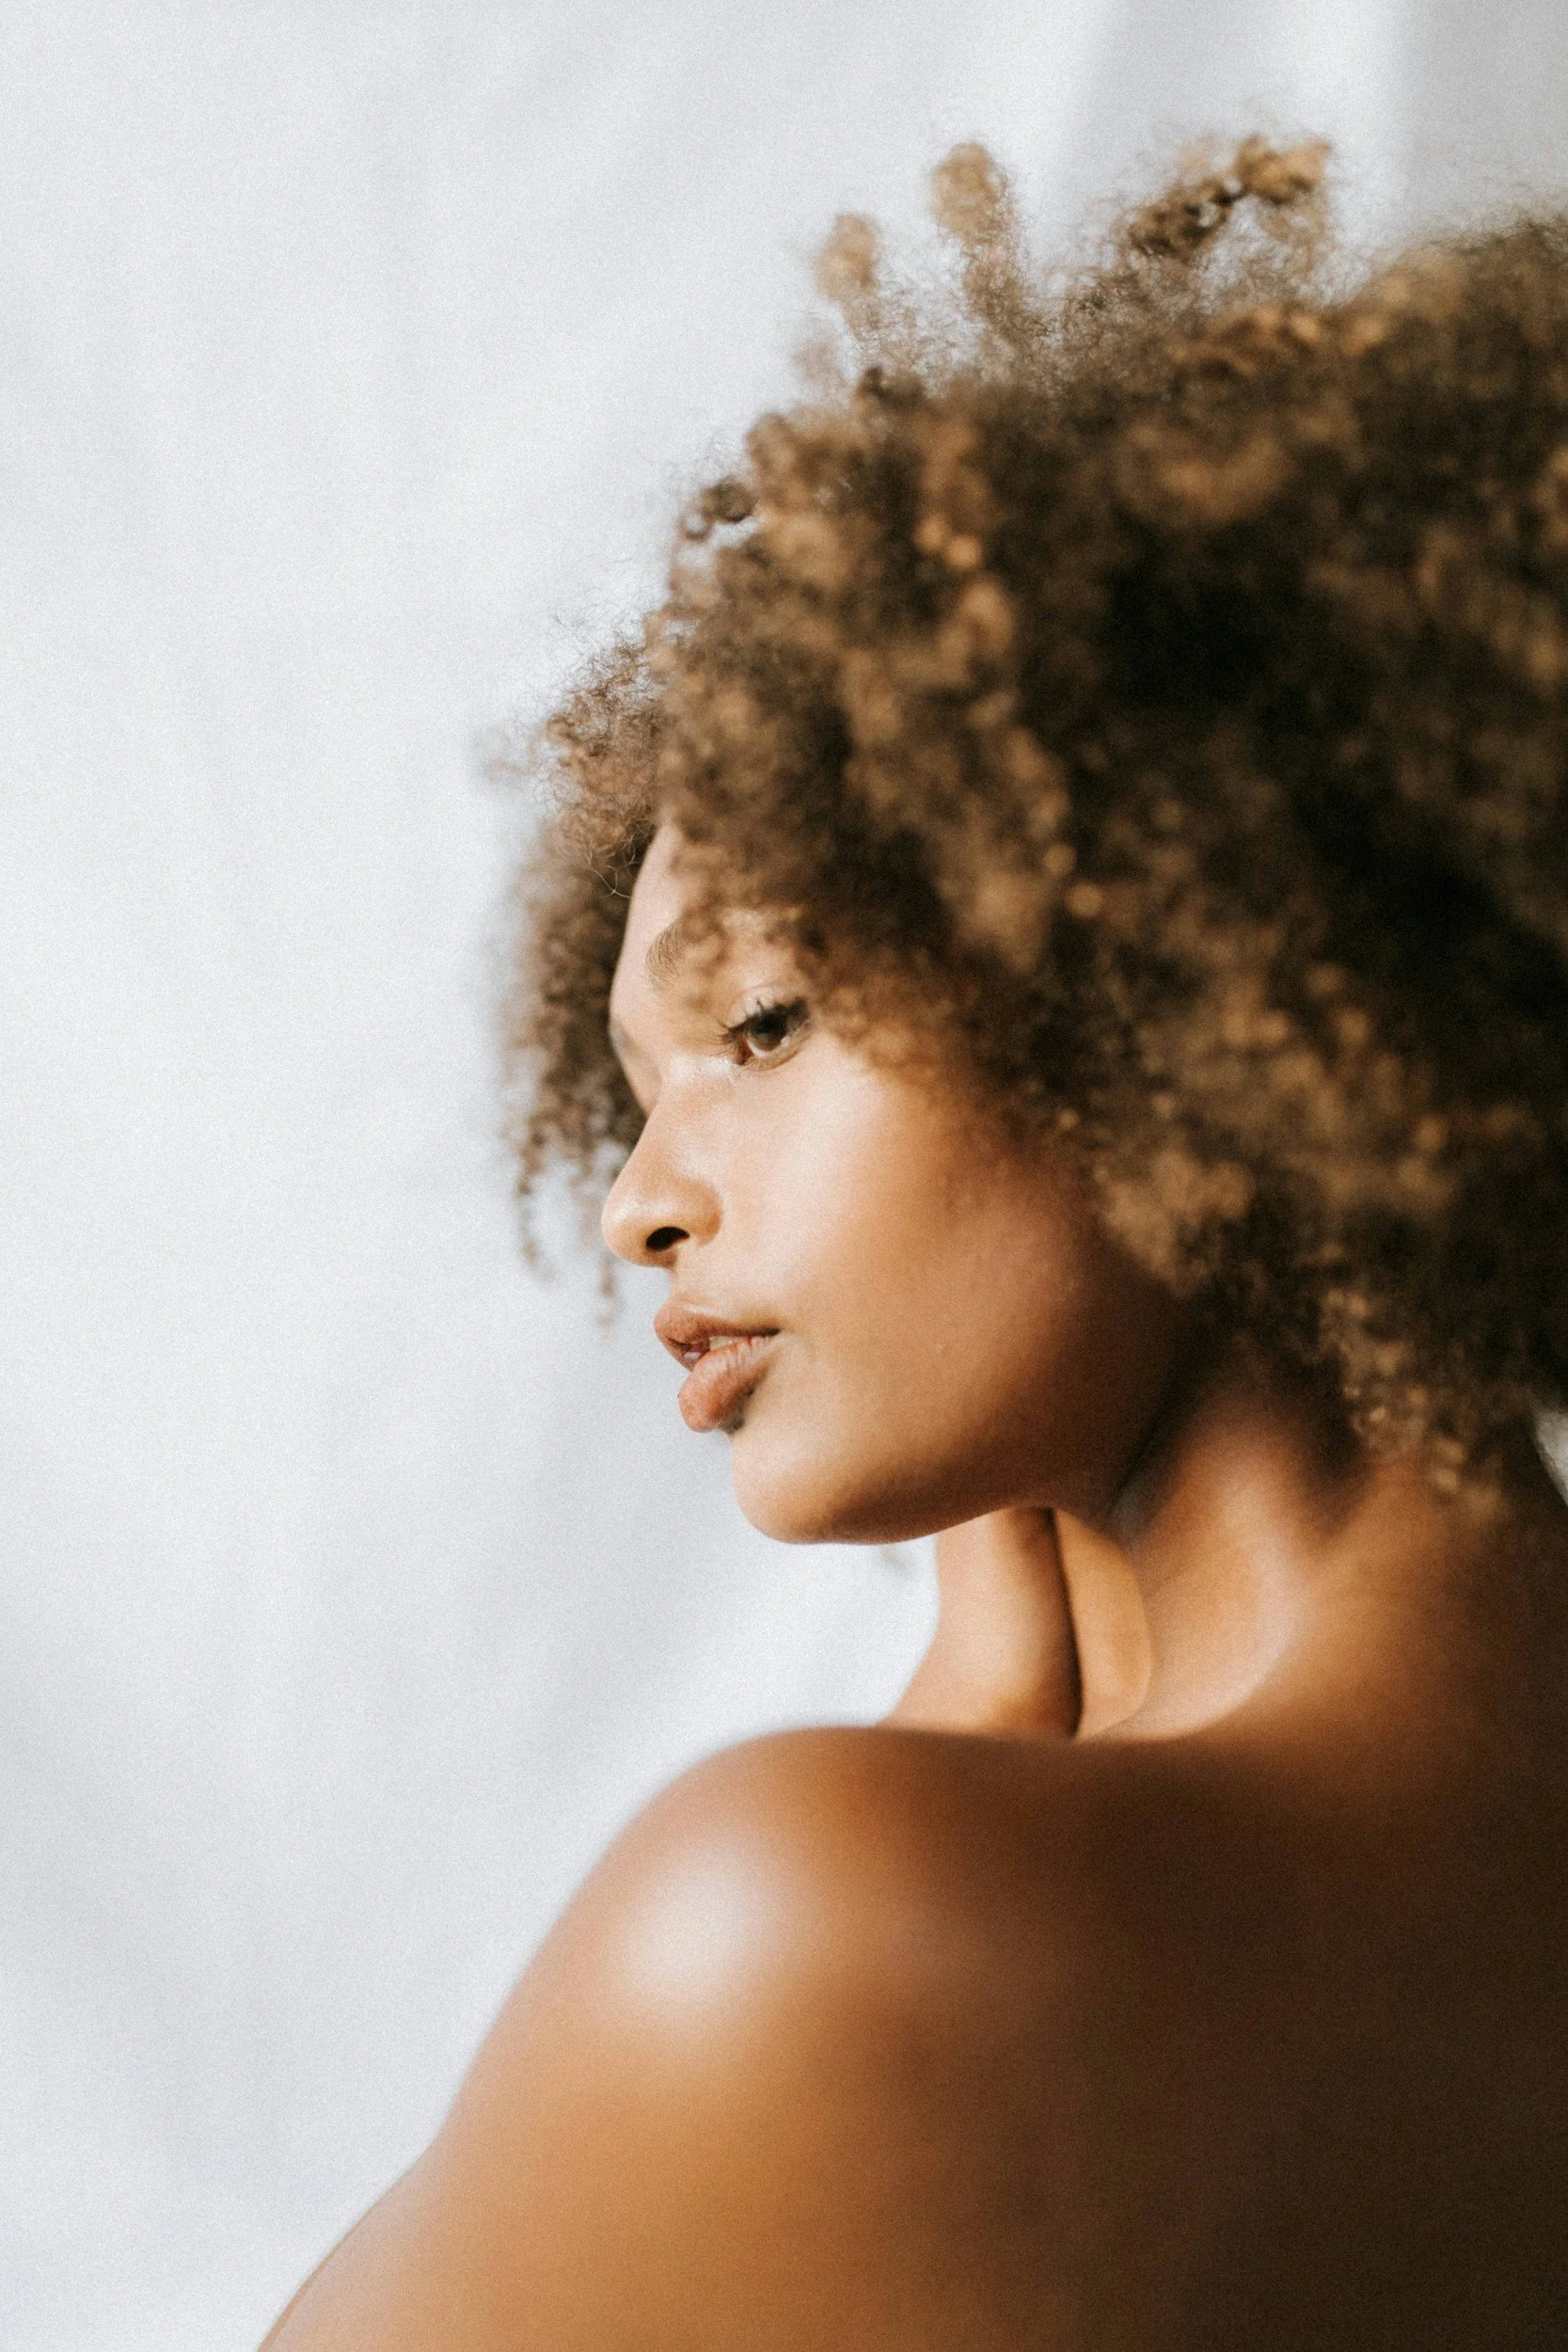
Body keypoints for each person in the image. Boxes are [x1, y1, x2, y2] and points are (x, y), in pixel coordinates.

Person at [261, 137, 1568, 2348]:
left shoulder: (819, 1928)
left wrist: (949, 1725)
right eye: (632, 1085)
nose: (633, 1192)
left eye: (759, 1022)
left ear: (1173, 960)